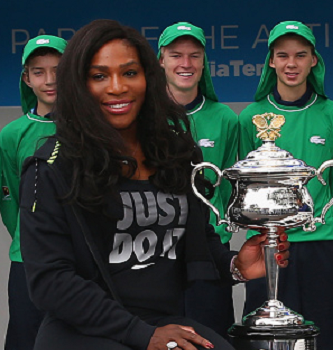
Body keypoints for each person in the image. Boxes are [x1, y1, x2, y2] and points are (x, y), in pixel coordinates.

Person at [19, 19, 289, 350]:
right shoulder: (50, 166)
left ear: (148, 77)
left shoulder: (176, 152)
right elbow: (50, 282)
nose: (117, 87)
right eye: (99, 76)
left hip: (162, 325)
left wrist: (236, 266)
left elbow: (196, 241)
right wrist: (141, 335)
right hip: (82, 332)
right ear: (79, 84)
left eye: (130, 73)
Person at [237, 21, 333, 350]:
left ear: (313, 60)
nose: (291, 63)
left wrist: (318, 220)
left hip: (320, 245)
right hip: (267, 244)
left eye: (301, 55)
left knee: (325, 334)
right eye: (282, 55)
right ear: (271, 61)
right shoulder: (251, 118)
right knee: (265, 334)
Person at [158, 21, 239, 340]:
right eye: (176, 55)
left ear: (204, 62)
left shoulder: (225, 118)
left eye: (194, 55)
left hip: (210, 252)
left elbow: (233, 188)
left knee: (211, 339)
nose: (186, 63)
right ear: (160, 60)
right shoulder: (143, 117)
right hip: (157, 252)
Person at [0, 34, 66, 350]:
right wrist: (29, 239)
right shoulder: (12, 134)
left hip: (76, 261)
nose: (49, 80)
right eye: (39, 71)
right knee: (26, 339)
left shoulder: (92, 129)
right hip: (27, 261)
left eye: (58, 69)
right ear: (26, 77)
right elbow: (11, 197)